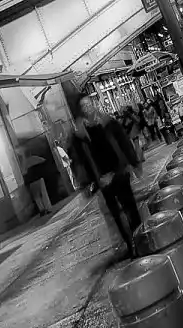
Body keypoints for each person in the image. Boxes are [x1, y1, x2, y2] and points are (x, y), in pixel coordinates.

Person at [69, 93, 144, 254]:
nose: (87, 108)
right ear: (80, 111)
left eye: (89, 104)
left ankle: (141, 239)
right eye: (84, 106)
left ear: (94, 104)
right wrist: (86, 184)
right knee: (117, 215)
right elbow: (79, 161)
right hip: (102, 180)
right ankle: (131, 245)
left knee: (130, 208)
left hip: (120, 172)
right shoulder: (80, 135)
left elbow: (124, 143)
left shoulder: (109, 122)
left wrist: (134, 163)